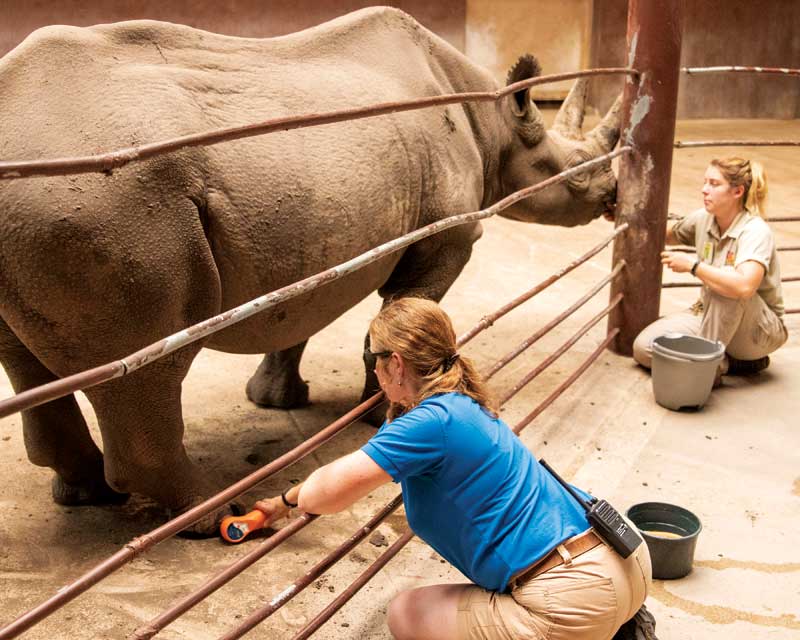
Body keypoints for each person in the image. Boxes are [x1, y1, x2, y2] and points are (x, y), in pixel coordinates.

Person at [254, 297, 652, 640]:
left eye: (372, 359)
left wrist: (288, 500)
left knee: (406, 613)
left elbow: (328, 493)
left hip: (571, 599)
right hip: (623, 557)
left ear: (395, 364)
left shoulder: (430, 423)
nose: (371, 371)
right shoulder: (464, 400)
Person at [633, 157, 788, 376]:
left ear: (737, 192)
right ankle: (724, 364)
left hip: (758, 332)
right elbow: (663, 235)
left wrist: (693, 266)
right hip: (710, 313)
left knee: (726, 283)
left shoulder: (755, 231)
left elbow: (744, 287)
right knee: (645, 349)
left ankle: (705, 371)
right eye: (705, 182)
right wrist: (628, 216)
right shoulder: (704, 219)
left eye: (714, 184)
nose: (704, 190)